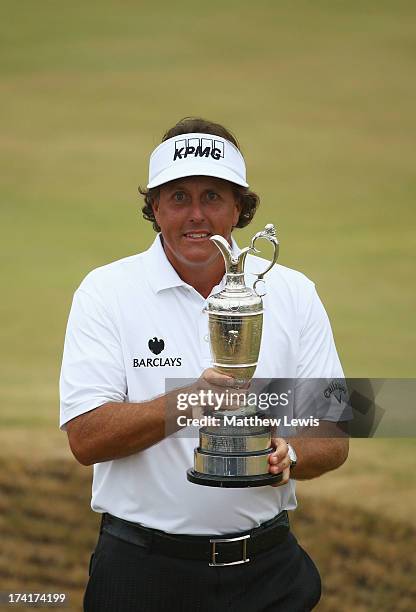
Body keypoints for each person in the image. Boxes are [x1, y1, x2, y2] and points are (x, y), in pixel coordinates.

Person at [60, 117, 350, 611]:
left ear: (240, 207)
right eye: (179, 197)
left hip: (267, 572)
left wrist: (289, 454)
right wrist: (192, 400)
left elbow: (336, 431)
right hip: (142, 573)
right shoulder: (105, 291)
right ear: (154, 207)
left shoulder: (294, 291)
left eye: (213, 196)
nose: (196, 214)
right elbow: (86, 438)